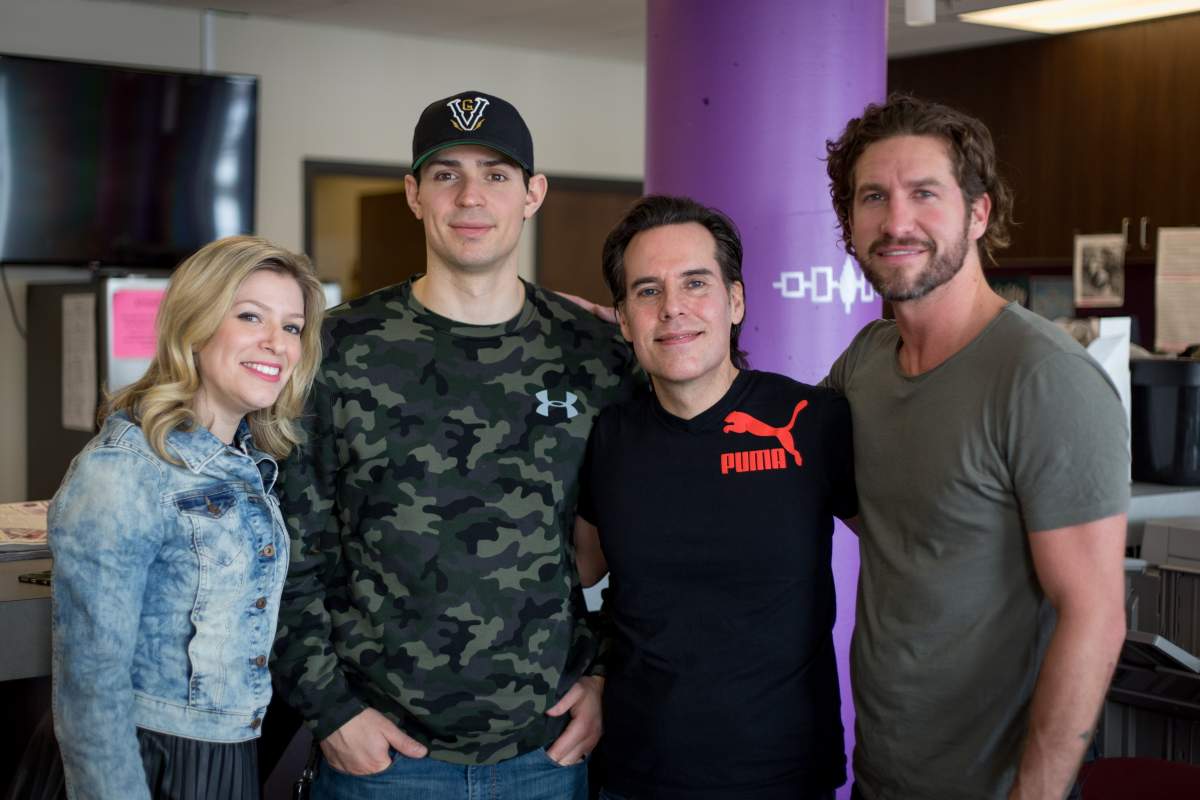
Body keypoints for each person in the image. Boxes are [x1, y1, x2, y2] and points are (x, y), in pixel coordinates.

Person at [270, 90, 639, 799]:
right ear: (414, 194)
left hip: (547, 755)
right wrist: (332, 710)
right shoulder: (337, 349)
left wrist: (603, 675)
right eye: (446, 174)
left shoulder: (594, 355)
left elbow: (651, 541)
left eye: (496, 174)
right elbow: (286, 551)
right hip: (380, 759)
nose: (471, 196)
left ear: (533, 193)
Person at [822, 94, 1129, 800]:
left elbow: (1096, 615)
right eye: (874, 197)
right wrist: (636, 346)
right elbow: (770, 438)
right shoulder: (867, 360)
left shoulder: (1044, 379)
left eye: (924, 193)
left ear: (979, 213)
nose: (897, 221)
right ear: (849, 223)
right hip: (882, 776)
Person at [574, 195, 857, 800]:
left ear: (735, 300)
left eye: (695, 283)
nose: (673, 308)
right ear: (623, 320)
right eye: (647, 291)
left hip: (784, 774)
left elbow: (911, 551)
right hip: (633, 774)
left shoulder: (811, 421)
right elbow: (571, 572)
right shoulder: (608, 437)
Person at [49, 235, 326, 800]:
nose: (276, 343)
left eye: (292, 327)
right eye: (251, 316)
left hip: (230, 756)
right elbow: (90, 689)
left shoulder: (251, 462)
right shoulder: (124, 470)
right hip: (151, 763)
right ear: (195, 324)